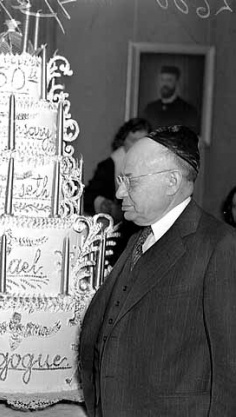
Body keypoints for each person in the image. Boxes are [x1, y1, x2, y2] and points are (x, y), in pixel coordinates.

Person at [79, 125, 236, 416]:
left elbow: (230, 372)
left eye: (130, 181)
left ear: (172, 181)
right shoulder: (136, 238)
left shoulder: (220, 247)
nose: (118, 191)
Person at [83, 118, 151, 264]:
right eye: (133, 140)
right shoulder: (110, 166)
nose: (138, 146)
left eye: (143, 141)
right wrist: (103, 204)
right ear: (123, 141)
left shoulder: (154, 166)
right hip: (116, 236)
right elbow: (89, 195)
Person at [141, 65, 200, 134]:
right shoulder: (150, 108)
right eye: (162, 80)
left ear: (176, 82)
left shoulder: (188, 110)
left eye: (169, 80)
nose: (165, 84)